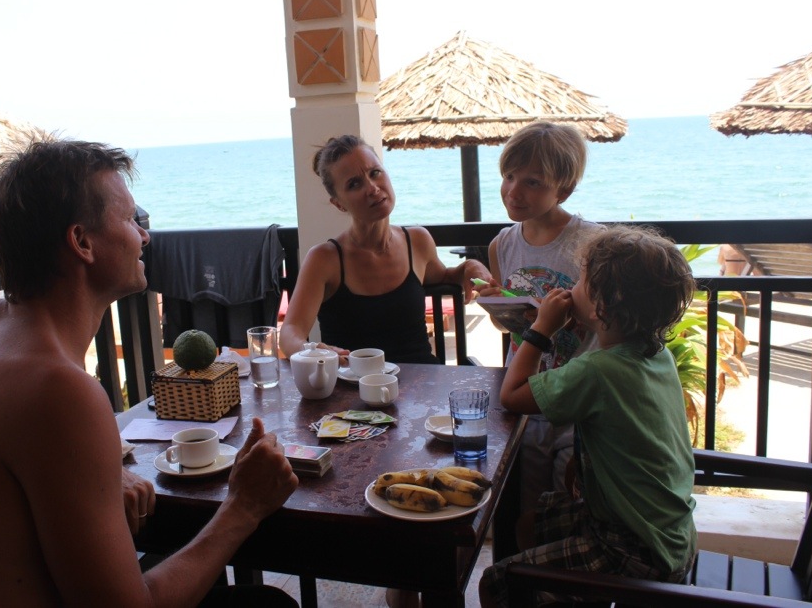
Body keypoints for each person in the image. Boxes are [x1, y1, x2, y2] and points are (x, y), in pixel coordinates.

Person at [0, 140, 299, 607]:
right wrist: (244, 507)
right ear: (82, 242)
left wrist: (105, 470)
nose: (144, 237)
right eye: (132, 220)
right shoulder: (56, 388)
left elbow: (20, 466)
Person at [479, 225, 698, 607]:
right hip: (666, 533)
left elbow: (512, 395)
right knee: (529, 525)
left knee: (497, 581)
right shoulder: (655, 354)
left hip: (632, 547)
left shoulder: (598, 370)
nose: (572, 287)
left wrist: (541, 328)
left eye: (580, 281)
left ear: (601, 308)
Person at [478, 122, 603, 522]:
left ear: (563, 190)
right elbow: (508, 330)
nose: (513, 191)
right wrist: (497, 307)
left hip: (575, 398)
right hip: (525, 395)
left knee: (571, 506)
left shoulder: (591, 244)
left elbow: (606, 326)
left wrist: (557, 318)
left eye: (532, 182)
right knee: (527, 509)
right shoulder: (502, 244)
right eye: (509, 176)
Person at [279, 134, 492, 365]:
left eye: (375, 173)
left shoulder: (417, 241)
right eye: (354, 184)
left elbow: (445, 277)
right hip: (355, 382)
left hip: (422, 380)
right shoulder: (325, 259)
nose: (372, 188)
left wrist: (470, 266)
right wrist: (311, 351)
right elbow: (290, 332)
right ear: (338, 203)